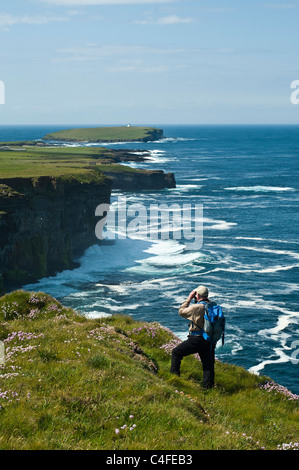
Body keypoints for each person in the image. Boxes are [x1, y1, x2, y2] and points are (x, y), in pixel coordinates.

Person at [170, 285, 216, 389]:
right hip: (209, 339)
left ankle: (174, 378)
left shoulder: (197, 307)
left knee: (176, 353)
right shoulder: (213, 305)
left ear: (197, 295)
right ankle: (208, 389)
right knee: (208, 365)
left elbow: (181, 311)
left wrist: (189, 298)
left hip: (197, 339)